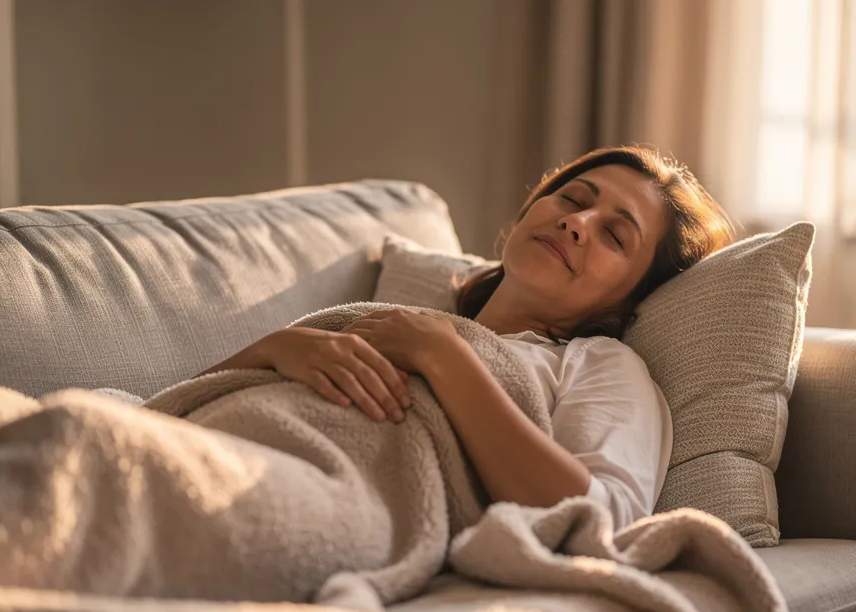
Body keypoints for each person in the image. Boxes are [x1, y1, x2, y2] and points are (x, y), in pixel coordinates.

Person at [202, 146, 734, 528]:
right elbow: (184, 401)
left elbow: (602, 518)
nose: (579, 222)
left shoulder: (598, 365)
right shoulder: (404, 323)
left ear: (629, 296)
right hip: (216, 447)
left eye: (615, 235)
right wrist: (278, 348)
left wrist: (446, 359)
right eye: (572, 200)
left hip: (297, 499)